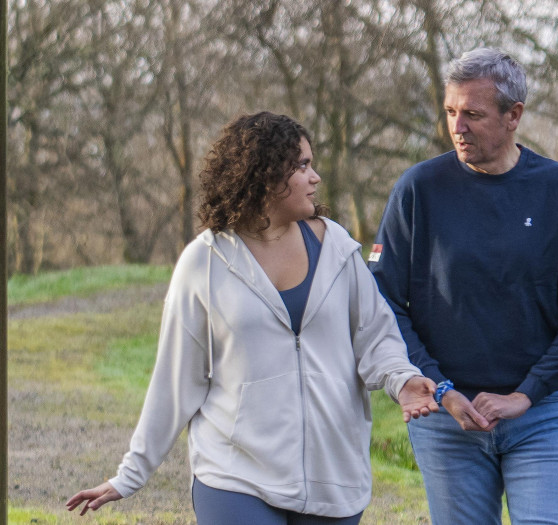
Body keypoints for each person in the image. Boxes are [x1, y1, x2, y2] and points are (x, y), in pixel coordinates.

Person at [65, 112, 438, 524]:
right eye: (302, 166)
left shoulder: (337, 250)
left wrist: (402, 380)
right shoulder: (206, 262)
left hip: (334, 478)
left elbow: (376, 339)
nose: (315, 177)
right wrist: (130, 474)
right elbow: (175, 380)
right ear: (264, 175)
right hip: (234, 475)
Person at [369, 48, 558, 525]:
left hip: (541, 413)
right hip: (446, 418)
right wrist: (439, 389)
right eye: (451, 112)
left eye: (473, 114)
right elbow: (383, 302)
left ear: (513, 115)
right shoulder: (417, 189)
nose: (457, 127)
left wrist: (528, 393)